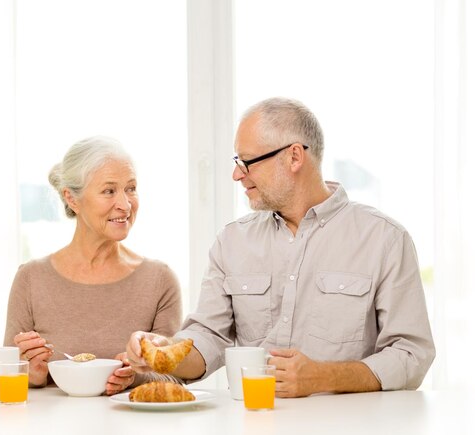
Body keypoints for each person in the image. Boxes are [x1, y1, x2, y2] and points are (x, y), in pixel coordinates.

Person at [126, 97, 435, 397]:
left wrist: (325, 376)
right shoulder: (231, 242)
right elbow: (208, 336)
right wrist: (165, 353)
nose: (237, 174)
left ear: (294, 157)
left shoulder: (384, 239)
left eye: (246, 161)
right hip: (253, 423)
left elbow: (412, 354)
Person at [4, 135, 183, 395]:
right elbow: (7, 375)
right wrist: (32, 374)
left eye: (131, 188)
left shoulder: (160, 280)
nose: (125, 204)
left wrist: (134, 376)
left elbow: (176, 380)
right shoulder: (31, 278)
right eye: (109, 191)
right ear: (72, 199)